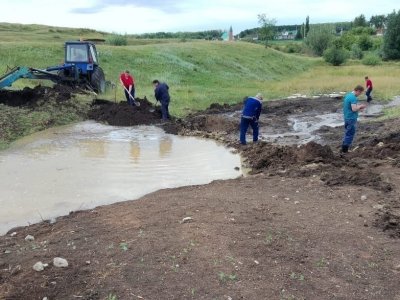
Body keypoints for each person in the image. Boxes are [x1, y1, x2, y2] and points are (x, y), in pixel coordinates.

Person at [341, 85, 367, 153]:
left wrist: (359, 108)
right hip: (351, 118)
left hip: (347, 117)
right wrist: (360, 106)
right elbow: (354, 109)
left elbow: (350, 108)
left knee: (347, 132)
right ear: (358, 91)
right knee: (350, 133)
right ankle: (345, 150)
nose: (359, 94)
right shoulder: (353, 98)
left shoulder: (348, 95)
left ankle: (343, 148)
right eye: (360, 93)